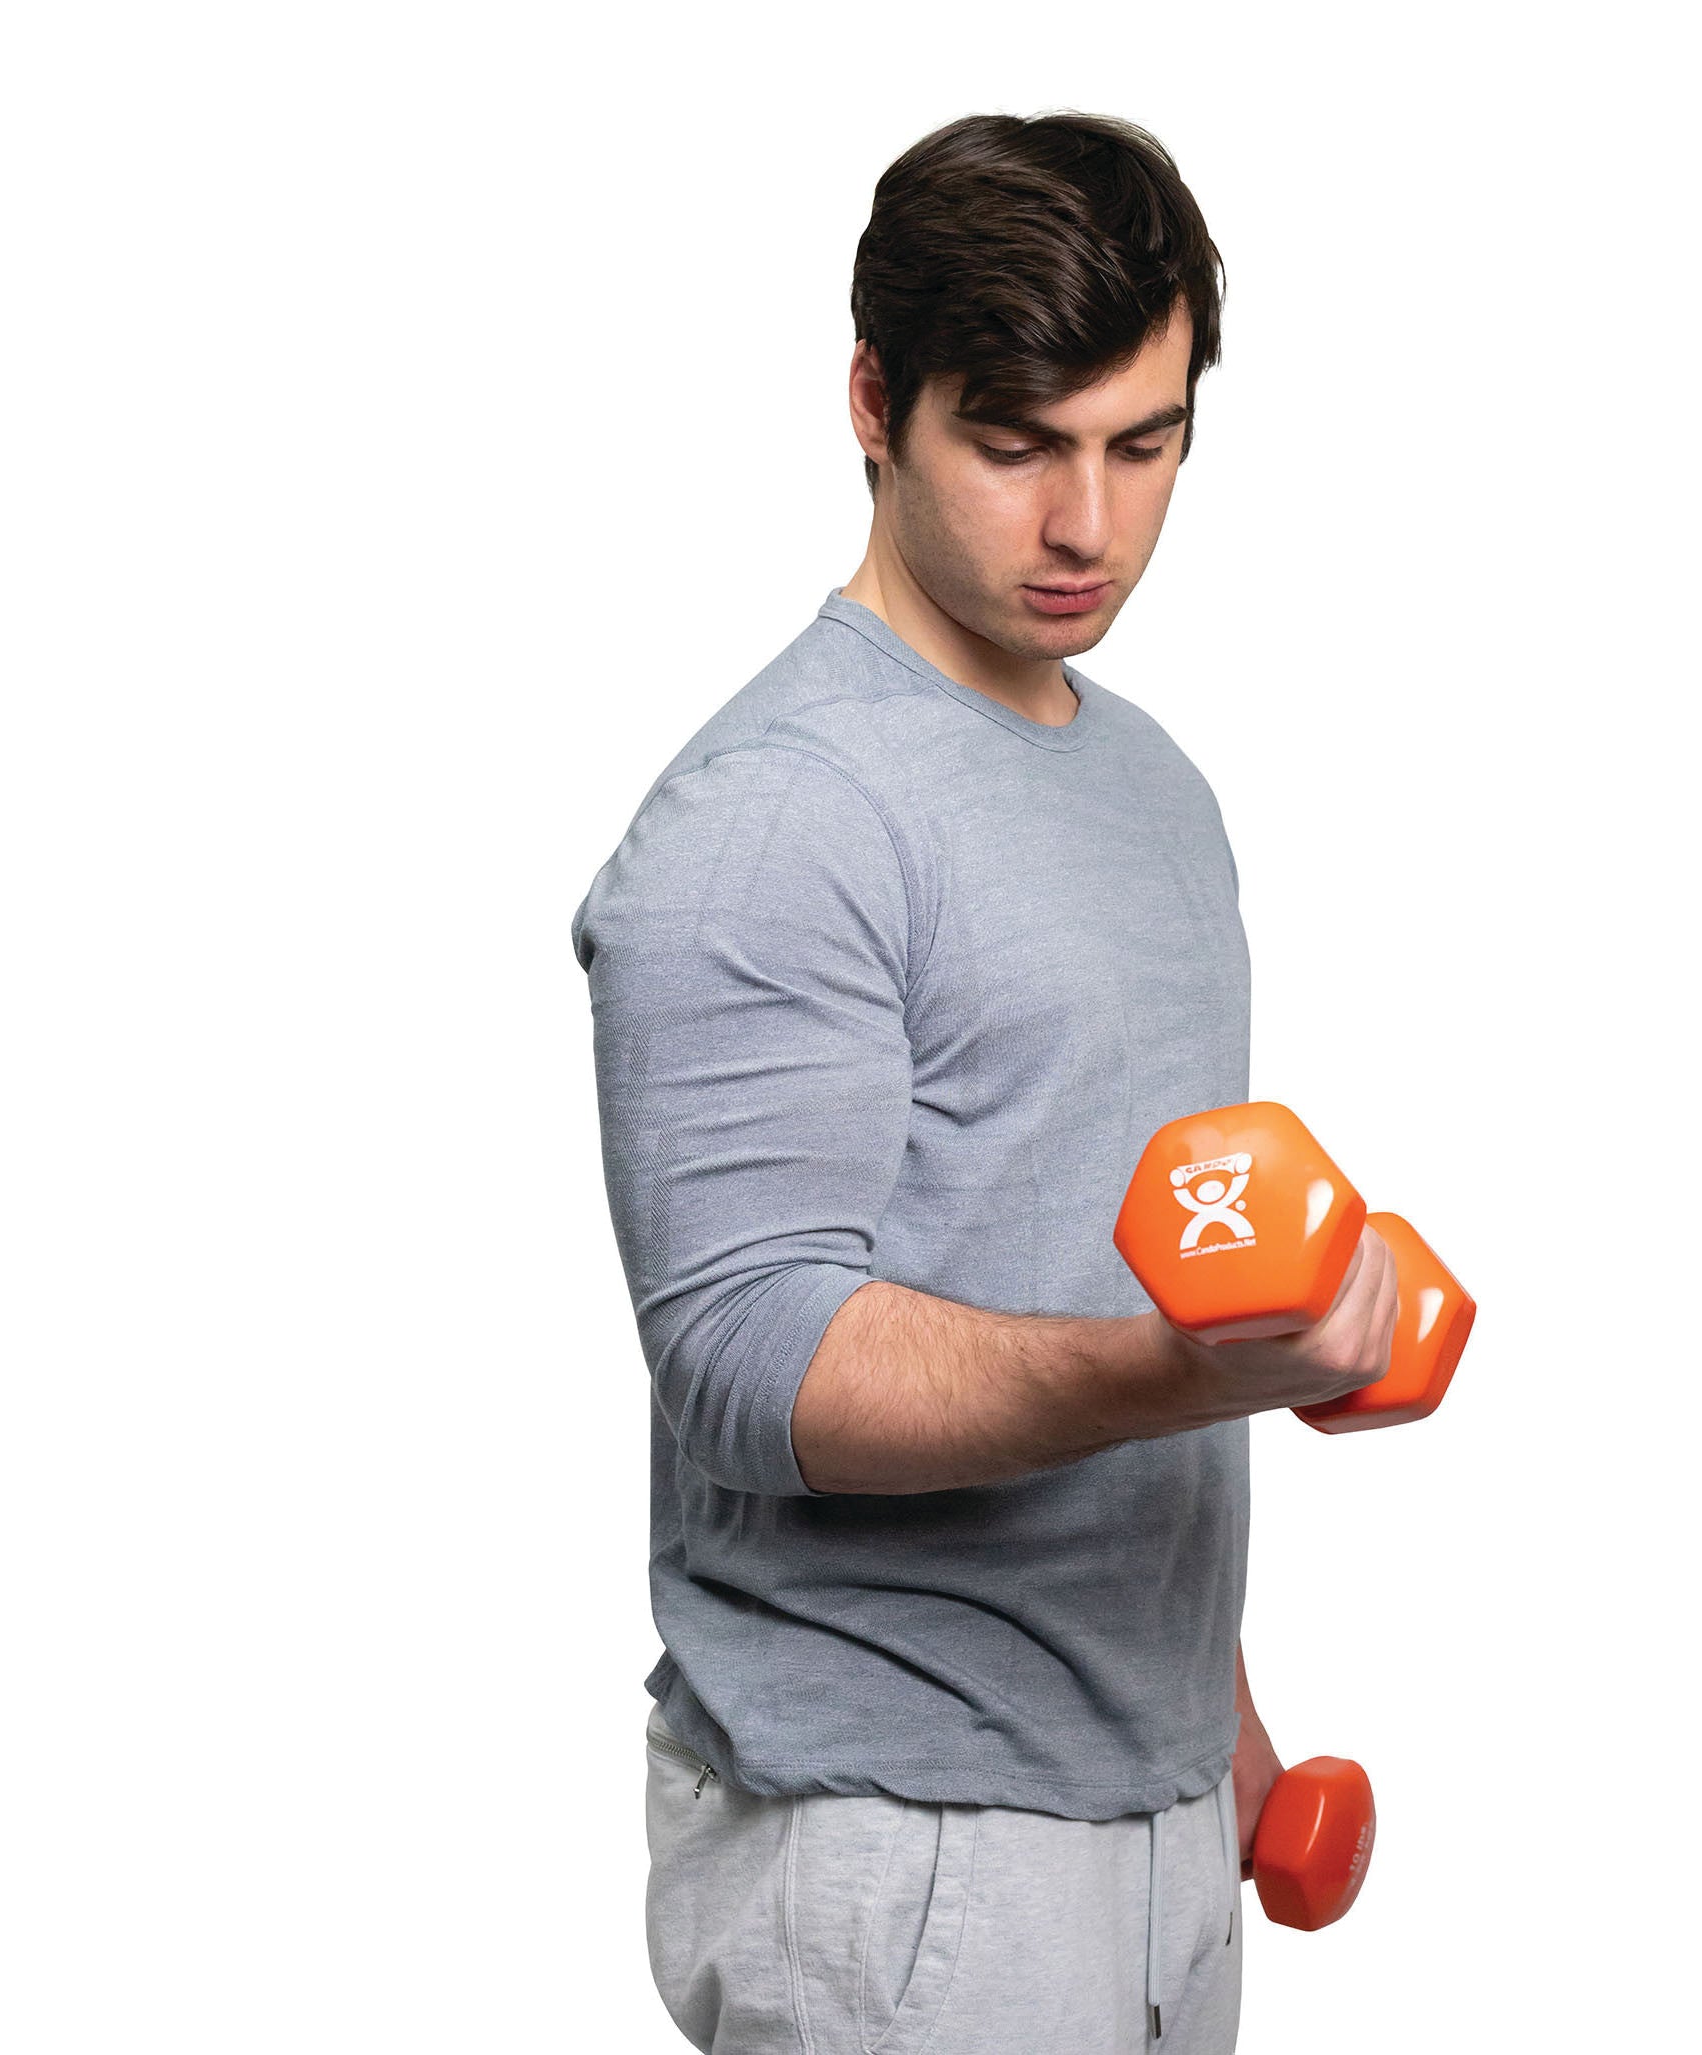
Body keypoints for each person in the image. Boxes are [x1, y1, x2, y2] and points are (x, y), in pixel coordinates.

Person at [571, 109, 1398, 2053]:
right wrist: (1199, 1372)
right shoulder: (777, 815)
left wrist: (1222, 1726)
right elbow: (747, 1362)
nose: (1086, 526)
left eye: (1143, 442)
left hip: (1156, 1811)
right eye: (1017, 444)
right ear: (875, 403)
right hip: (904, 1853)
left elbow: (1109, 1262)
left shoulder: (1153, 793)